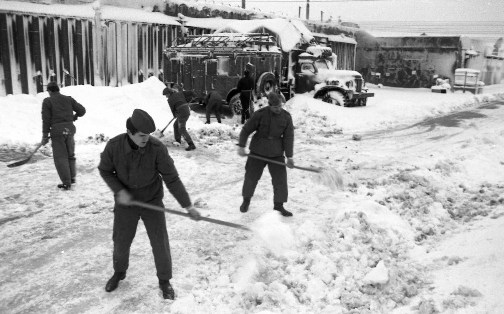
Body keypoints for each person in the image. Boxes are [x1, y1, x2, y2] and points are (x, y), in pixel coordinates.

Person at [98, 109, 201, 300]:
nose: (146, 139)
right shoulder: (114, 146)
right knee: (121, 241)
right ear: (130, 132)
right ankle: (119, 272)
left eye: (149, 135)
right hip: (126, 203)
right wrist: (119, 191)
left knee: (159, 242)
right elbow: (105, 170)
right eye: (142, 135)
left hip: (151, 200)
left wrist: (188, 206)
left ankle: (164, 280)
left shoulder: (156, 148)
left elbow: (172, 178)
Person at [237, 92, 295, 217]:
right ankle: (246, 200)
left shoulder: (286, 117)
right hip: (258, 151)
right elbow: (246, 129)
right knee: (251, 178)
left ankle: (279, 206)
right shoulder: (260, 114)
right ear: (269, 105)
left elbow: (288, 137)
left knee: (280, 180)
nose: (278, 109)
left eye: (280, 106)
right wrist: (241, 146)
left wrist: (289, 156)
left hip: (276, 152)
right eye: (275, 107)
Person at [41, 81, 86, 190]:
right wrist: (73, 118)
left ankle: (66, 182)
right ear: (58, 89)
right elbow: (82, 110)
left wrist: (45, 135)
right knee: (70, 154)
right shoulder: (68, 99)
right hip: (70, 130)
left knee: (61, 157)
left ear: (50, 91)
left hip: (57, 132)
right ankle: (72, 178)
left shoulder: (48, 101)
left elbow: (46, 120)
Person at [162, 85, 196, 151]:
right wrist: (193, 95)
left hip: (182, 113)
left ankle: (191, 144)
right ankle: (178, 141)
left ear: (169, 93)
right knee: (175, 125)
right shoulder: (180, 93)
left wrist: (175, 115)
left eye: (166, 95)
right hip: (186, 111)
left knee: (181, 129)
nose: (166, 96)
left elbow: (173, 110)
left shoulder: (170, 100)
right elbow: (190, 92)